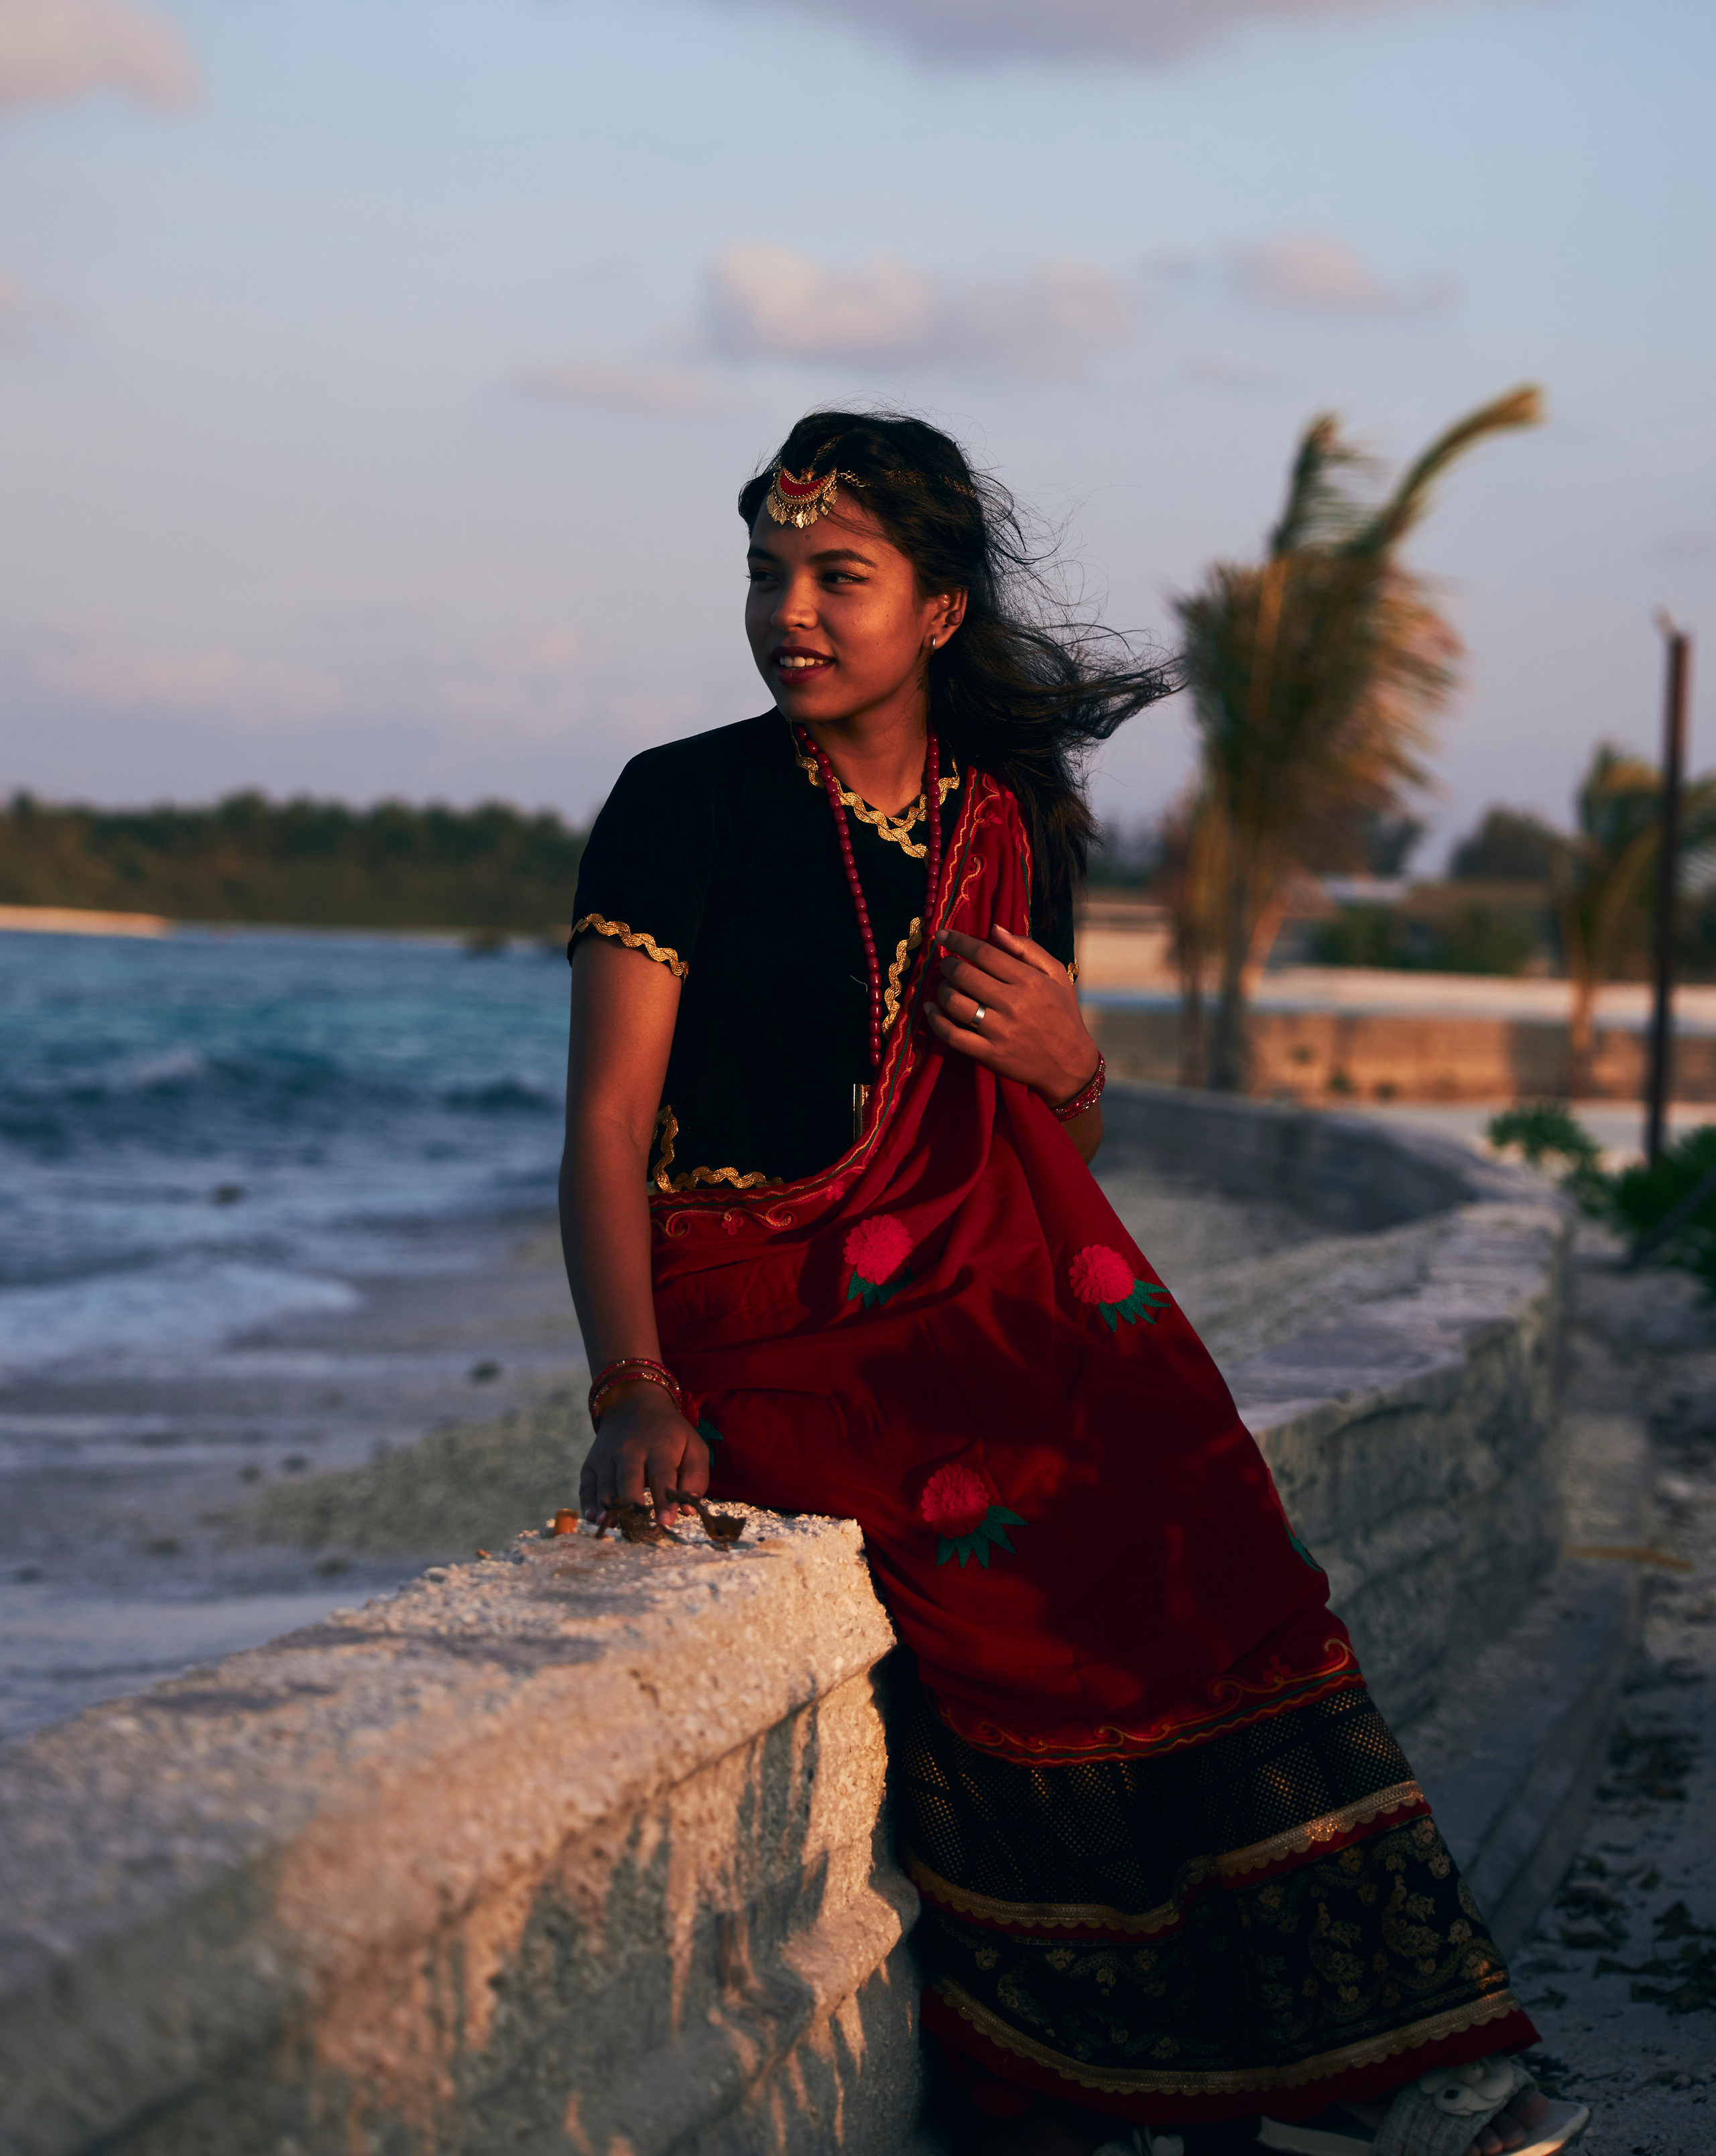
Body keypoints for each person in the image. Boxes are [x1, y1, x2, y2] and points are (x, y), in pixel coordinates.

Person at [558, 411, 1587, 2156]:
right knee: (1015, 1537)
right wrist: (631, 1386)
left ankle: (1368, 2049)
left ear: (939, 612)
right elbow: (602, 1126)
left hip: (971, 1283)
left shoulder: (1009, 819)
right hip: (769, 1304)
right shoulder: (684, 803)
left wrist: (1071, 1055)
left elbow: (1056, 1152)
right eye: (767, 575)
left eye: (838, 578)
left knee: (1198, 1508)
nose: (788, 612)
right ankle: (1129, 2060)